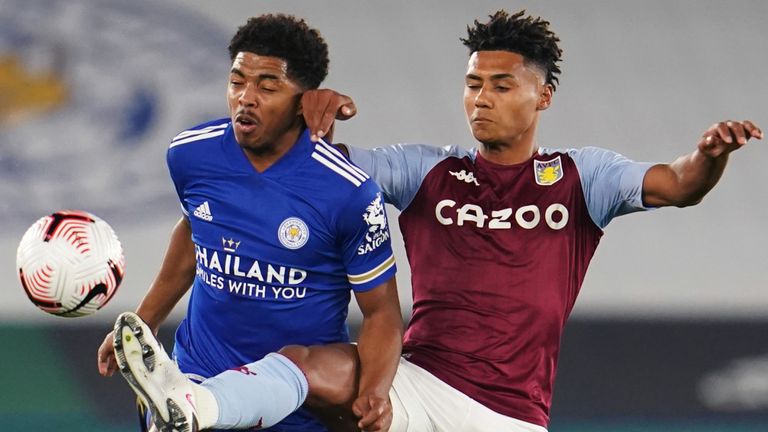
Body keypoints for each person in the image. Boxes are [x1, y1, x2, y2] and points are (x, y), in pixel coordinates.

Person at [105, 9, 764, 432]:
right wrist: (311, 117)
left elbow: (678, 186)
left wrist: (708, 157)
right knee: (309, 365)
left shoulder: (580, 177)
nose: (482, 98)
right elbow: (316, 178)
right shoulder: (426, 171)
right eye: (474, 83)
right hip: (420, 383)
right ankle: (196, 407)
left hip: (512, 414)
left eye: (502, 86)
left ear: (543, 95)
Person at [96, 14, 403, 432]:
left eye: (267, 86)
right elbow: (194, 233)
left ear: (304, 100)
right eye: (237, 81)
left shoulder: (348, 191)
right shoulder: (190, 155)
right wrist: (144, 320)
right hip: (194, 381)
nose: (246, 97)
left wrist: (375, 392)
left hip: (296, 404)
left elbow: (382, 312)